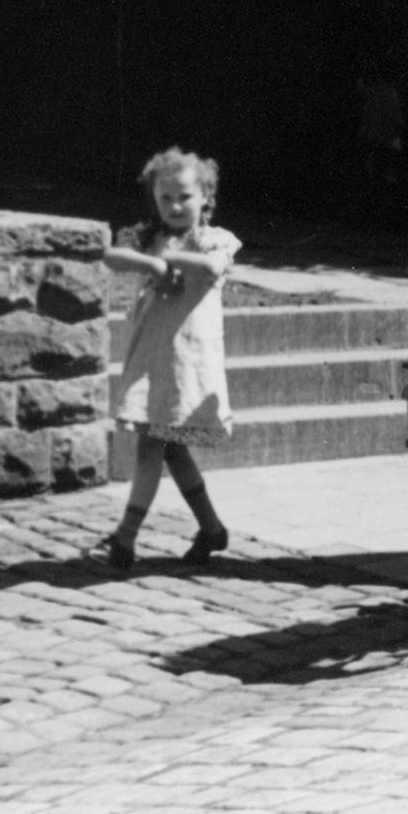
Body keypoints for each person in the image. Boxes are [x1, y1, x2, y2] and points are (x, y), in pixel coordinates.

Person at [89, 148, 240, 572]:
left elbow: (211, 267)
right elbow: (111, 256)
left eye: (185, 197)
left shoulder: (215, 239)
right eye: (165, 198)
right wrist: (153, 262)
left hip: (186, 362)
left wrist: (171, 258)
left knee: (153, 444)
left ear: (205, 197)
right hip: (152, 359)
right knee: (168, 448)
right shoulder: (149, 237)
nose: (175, 207)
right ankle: (211, 528)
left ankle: (125, 538)